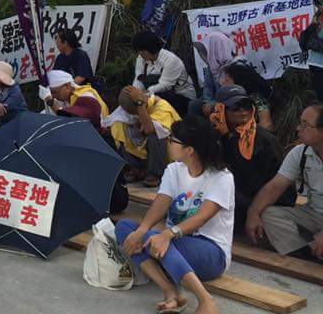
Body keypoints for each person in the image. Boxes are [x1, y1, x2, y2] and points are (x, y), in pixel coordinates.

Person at [116, 116, 233, 314]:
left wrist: (167, 234)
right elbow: (161, 202)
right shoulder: (174, 170)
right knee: (125, 228)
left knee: (153, 238)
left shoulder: (222, 177)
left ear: (190, 150)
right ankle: (171, 291)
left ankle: (207, 301)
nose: (168, 143)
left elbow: (203, 216)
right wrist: (141, 230)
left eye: (172, 139)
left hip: (211, 252)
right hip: (173, 244)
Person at [209, 85, 293, 233]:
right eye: (236, 106)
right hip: (240, 194)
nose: (243, 110)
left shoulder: (264, 139)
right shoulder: (216, 134)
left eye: (247, 105)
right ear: (221, 110)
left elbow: (275, 187)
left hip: (265, 199)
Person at [246, 103, 323, 259]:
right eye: (300, 122)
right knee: (267, 214)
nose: (298, 128)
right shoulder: (300, 153)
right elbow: (275, 187)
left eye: (305, 125)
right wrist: (252, 214)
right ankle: (305, 253)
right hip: (314, 214)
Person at [106, 85, 181, 187]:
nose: (133, 116)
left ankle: (155, 174)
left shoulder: (162, 106)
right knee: (118, 126)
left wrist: (140, 104)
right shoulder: (129, 110)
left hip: (169, 156)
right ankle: (136, 169)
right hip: (144, 154)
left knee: (155, 135)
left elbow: (149, 129)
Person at [132, 30, 197, 117]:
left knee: (154, 100)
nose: (139, 54)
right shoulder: (142, 58)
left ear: (147, 50)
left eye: (139, 50)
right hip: (154, 93)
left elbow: (164, 85)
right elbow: (138, 78)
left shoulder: (171, 60)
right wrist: (134, 92)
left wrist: (144, 95)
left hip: (181, 96)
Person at [44, 69, 108, 119]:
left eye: (55, 92)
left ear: (67, 86)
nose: (53, 96)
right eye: (51, 94)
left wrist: (50, 101)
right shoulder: (65, 97)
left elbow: (70, 120)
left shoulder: (85, 98)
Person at [299, 5, 323, 101]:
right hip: (315, 64)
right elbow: (303, 42)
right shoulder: (316, 23)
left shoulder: (317, 23)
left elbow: (307, 42)